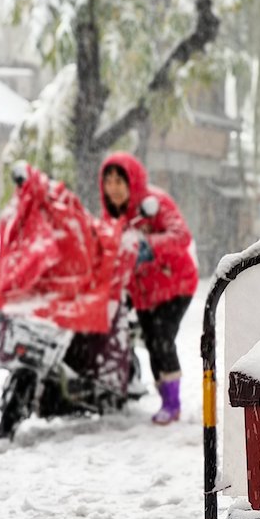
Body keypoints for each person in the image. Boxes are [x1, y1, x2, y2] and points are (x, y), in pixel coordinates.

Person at [99, 152, 198, 425]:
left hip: (175, 284)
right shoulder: (111, 220)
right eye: (109, 181)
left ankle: (172, 403)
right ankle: (165, 397)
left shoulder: (155, 203)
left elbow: (181, 235)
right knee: (152, 344)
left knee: (162, 339)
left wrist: (148, 245)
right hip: (143, 294)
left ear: (133, 181)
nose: (114, 187)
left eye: (120, 180)